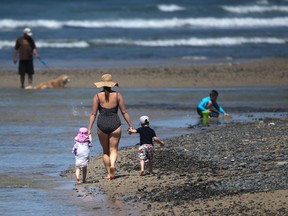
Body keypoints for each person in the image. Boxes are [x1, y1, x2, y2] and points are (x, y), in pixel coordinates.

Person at [88, 74, 134, 180]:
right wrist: (130, 125)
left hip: (102, 123)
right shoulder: (118, 95)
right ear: (112, 84)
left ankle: (109, 173)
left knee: (105, 151)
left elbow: (93, 114)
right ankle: (113, 165)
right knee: (113, 149)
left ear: (102, 85)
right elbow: (124, 112)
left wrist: (89, 128)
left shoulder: (97, 96)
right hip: (115, 123)